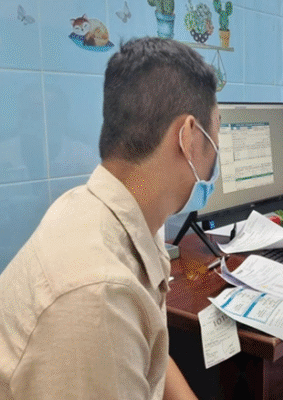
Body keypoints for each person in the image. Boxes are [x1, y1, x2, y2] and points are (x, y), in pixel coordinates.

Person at [0, 37, 221, 399]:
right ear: (189, 136)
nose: (217, 150)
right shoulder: (96, 295)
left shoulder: (117, 211)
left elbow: (150, 354)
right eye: (217, 133)